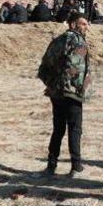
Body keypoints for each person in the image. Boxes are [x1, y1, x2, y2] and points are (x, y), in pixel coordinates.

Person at [37, 12, 92, 178]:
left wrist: (53, 84)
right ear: (73, 25)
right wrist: (77, 88)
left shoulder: (57, 40)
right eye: (83, 24)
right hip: (72, 92)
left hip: (56, 92)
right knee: (75, 129)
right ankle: (76, 166)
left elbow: (43, 67)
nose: (86, 28)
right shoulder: (79, 42)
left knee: (58, 129)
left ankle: (51, 166)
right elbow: (77, 66)